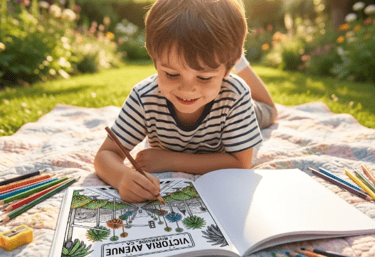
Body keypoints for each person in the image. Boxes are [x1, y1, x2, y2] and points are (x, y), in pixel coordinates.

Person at [94, 0, 277, 203]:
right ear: (154, 59)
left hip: (247, 111)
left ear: (226, 71)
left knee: (269, 110)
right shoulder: (144, 97)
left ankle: (239, 62)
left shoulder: (236, 95)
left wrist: (170, 160)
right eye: (172, 74)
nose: (187, 89)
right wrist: (121, 178)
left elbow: (241, 163)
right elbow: (106, 155)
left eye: (204, 77)